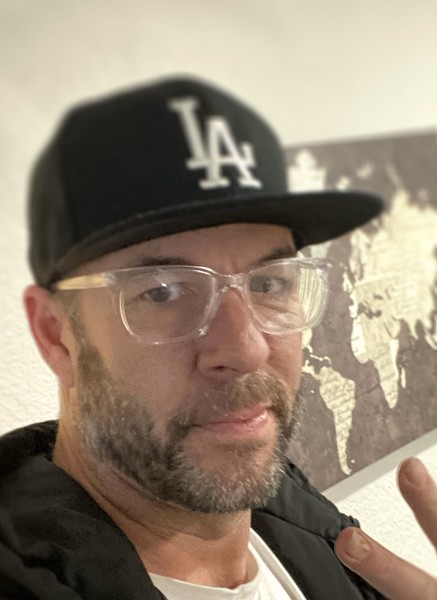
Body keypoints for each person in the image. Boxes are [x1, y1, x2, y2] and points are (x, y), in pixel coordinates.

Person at [0, 76, 435, 600]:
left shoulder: (305, 524)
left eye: (269, 283)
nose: (247, 349)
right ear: (55, 334)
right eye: (162, 292)